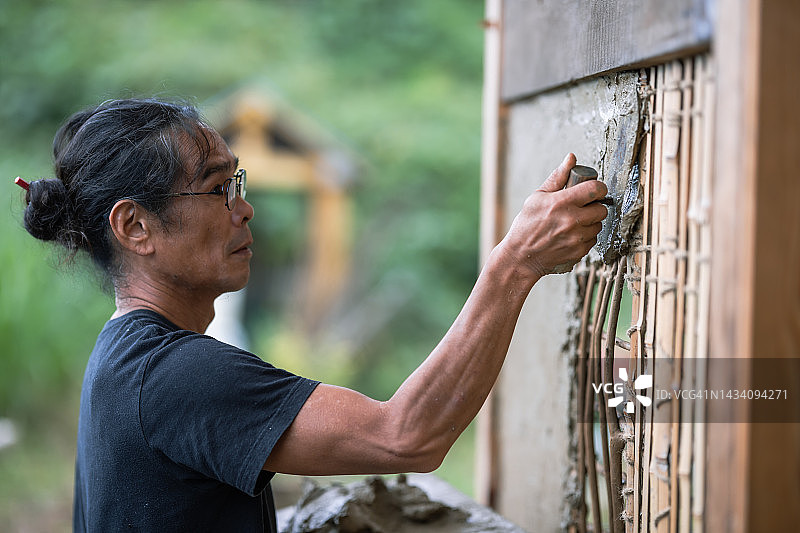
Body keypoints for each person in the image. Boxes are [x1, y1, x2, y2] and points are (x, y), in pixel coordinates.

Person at [17, 98, 607, 532]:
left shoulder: (124, 357)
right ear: (135, 227)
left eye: (237, 184)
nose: (243, 210)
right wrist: (515, 264)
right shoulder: (173, 375)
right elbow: (405, 437)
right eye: (217, 190)